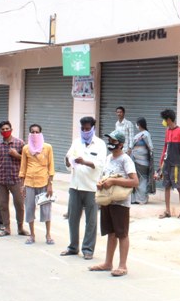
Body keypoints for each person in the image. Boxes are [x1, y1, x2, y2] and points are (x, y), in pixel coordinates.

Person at [88, 131, 138, 277]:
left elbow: (134, 181)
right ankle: (108, 263)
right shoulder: (108, 158)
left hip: (120, 203)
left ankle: (122, 266)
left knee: (122, 233)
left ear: (121, 144)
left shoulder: (126, 160)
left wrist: (113, 181)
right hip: (107, 200)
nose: (110, 143)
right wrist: (101, 183)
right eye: (109, 140)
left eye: (114, 141)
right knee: (111, 233)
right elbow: (104, 176)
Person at [62, 116, 106, 259]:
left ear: (93, 128)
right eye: (83, 128)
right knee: (72, 218)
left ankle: (88, 249)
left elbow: (100, 165)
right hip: (75, 186)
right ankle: (73, 247)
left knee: (91, 221)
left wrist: (84, 162)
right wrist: (68, 161)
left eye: (87, 129)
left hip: (91, 187)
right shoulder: (76, 142)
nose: (85, 131)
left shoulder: (100, 144)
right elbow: (69, 158)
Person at [0, 121, 28, 238]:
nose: (5, 131)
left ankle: (20, 228)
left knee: (19, 204)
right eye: (3, 129)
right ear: (0, 131)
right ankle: (6, 228)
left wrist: (17, 155)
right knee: (3, 205)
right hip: (1, 179)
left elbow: (27, 160)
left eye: (7, 128)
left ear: (11, 129)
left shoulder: (20, 143)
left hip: (16, 179)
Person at [19, 124, 55, 245]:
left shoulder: (47, 147)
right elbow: (23, 167)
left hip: (44, 182)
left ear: (41, 133)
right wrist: (22, 185)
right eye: (32, 132)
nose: (35, 134)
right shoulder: (26, 148)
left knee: (46, 209)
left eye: (37, 132)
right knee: (29, 209)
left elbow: (51, 166)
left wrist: (50, 184)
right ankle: (32, 235)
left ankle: (48, 235)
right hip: (29, 182)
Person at [156, 109, 180, 220]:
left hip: (176, 165)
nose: (164, 122)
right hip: (167, 164)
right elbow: (165, 147)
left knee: (179, 188)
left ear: (169, 119)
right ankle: (167, 211)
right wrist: (161, 162)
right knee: (166, 187)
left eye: (165, 119)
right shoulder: (167, 131)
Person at [130, 117, 155, 205]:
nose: (136, 126)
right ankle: (138, 198)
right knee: (140, 179)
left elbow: (151, 148)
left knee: (142, 180)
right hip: (138, 161)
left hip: (142, 162)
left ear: (139, 124)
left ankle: (141, 199)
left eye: (137, 124)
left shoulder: (145, 134)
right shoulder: (143, 134)